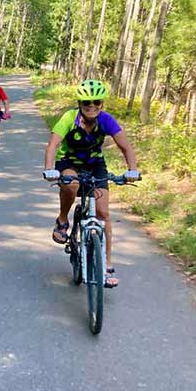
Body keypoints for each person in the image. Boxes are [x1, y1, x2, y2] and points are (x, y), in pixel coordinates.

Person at [42, 79, 140, 287]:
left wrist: (132, 170)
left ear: (101, 103)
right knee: (71, 185)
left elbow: (126, 147)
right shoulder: (69, 118)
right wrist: (50, 169)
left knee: (104, 214)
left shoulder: (106, 120)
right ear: (80, 103)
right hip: (69, 162)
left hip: (95, 165)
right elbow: (53, 145)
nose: (91, 105)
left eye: (96, 101)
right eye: (87, 101)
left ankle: (106, 265)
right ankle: (62, 220)